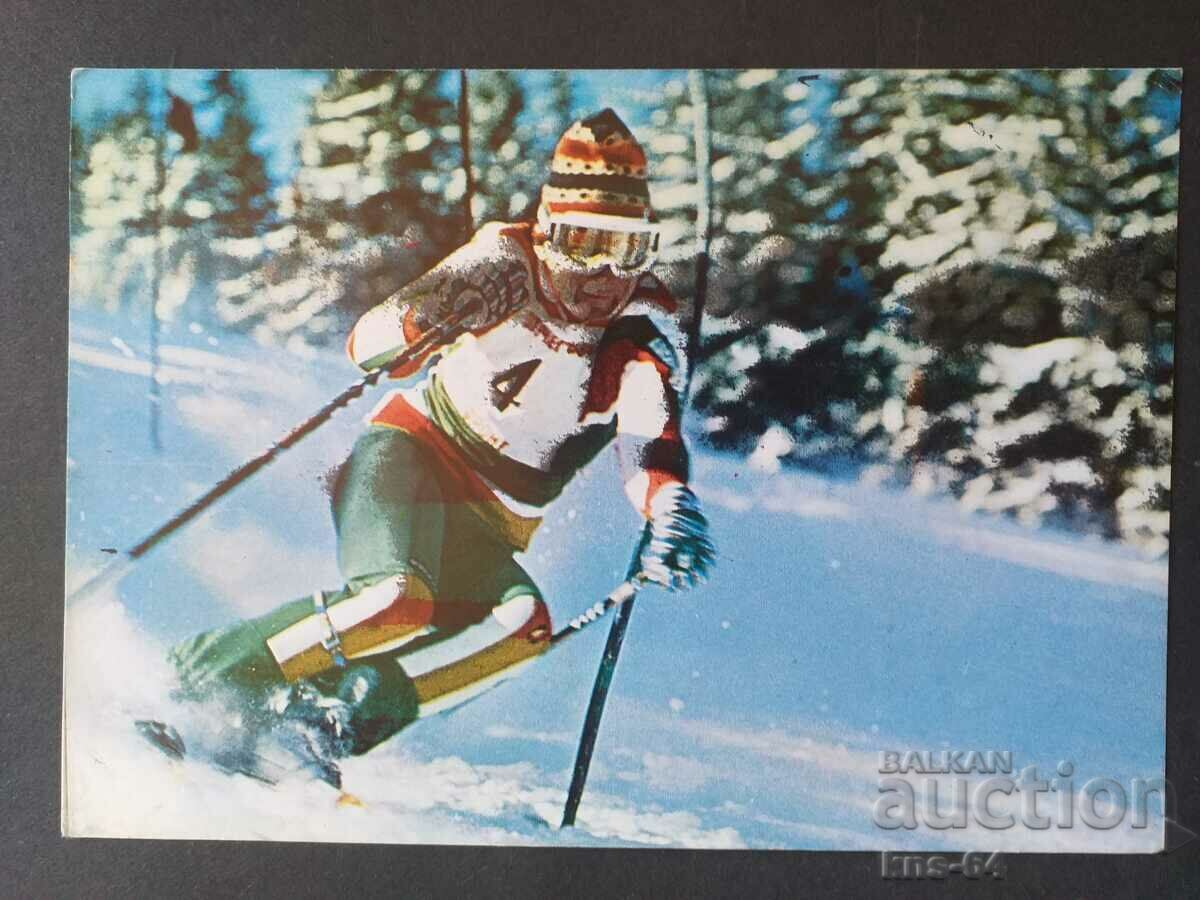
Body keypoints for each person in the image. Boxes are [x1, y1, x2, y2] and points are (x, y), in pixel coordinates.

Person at [168, 108, 716, 763]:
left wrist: (670, 509)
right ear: (547, 232)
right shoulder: (507, 261)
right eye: (582, 242)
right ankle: (200, 679)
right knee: (395, 601)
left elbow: (649, 434)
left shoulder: (642, 332)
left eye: (624, 249)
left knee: (521, 628)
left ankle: (323, 722)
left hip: (487, 526)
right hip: (411, 458)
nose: (603, 276)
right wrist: (430, 315)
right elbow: (367, 346)